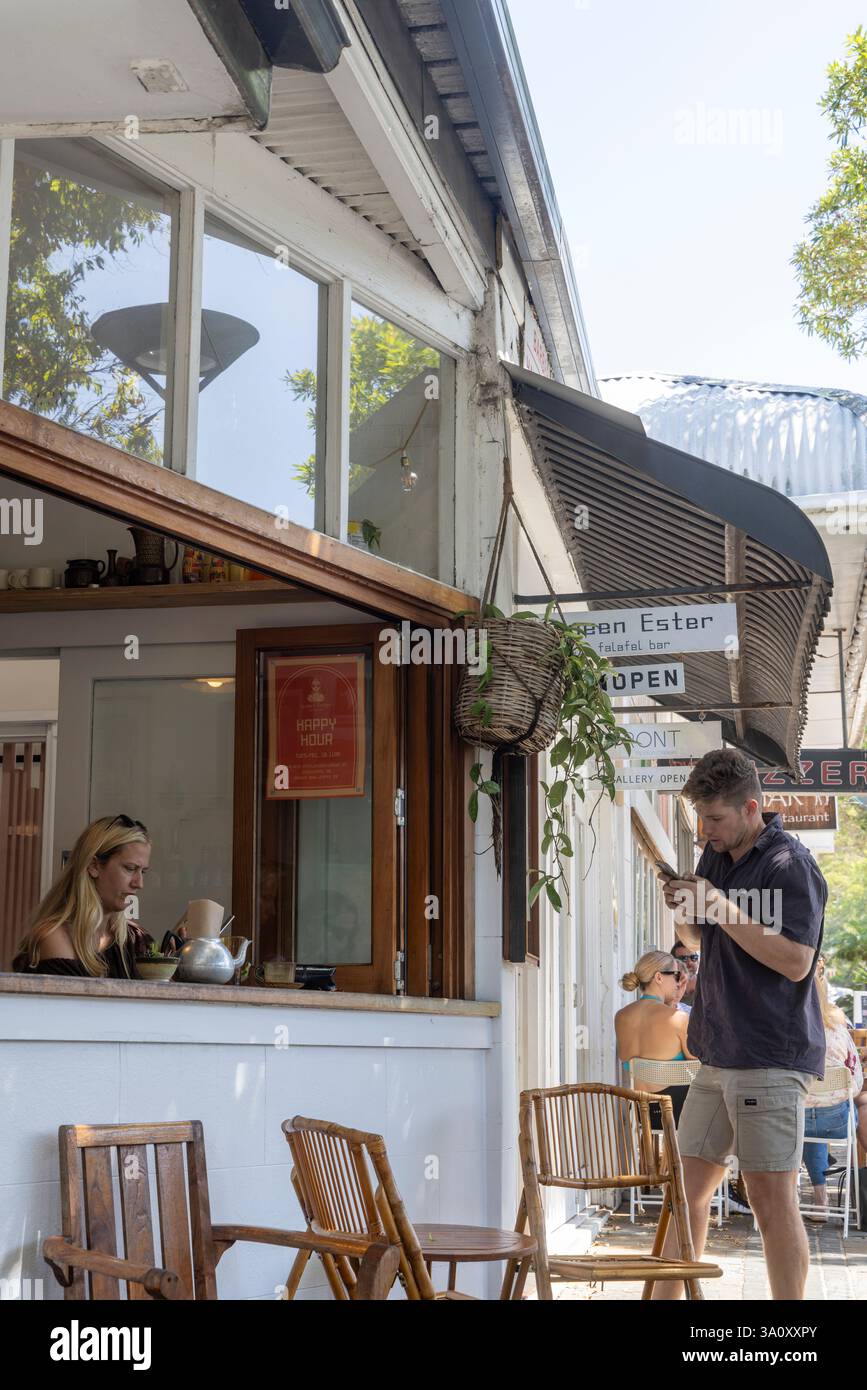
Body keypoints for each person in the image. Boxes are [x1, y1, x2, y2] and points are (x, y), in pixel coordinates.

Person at [655, 749, 826, 1302]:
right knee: (686, 1191)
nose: (705, 831)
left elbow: (798, 961)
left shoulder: (789, 865)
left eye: (715, 819)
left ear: (751, 808)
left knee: (770, 1200)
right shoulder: (717, 854)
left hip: (770, 1056)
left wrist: (722, 906)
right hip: (716, 1051)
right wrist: (686, 906)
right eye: (701, 819)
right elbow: (701, 941)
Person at [13, 815, 150, 978]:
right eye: (130, 868)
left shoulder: (134, 939)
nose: (139, 883)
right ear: (94, 866)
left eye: (143, 872)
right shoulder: (56, 938)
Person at [801, 958, 864, 1221]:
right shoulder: (839, 1028)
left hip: (795, 1121)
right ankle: (827, 1199)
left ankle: (820, 1200)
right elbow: (856, 1082)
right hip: (837, 1122)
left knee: (804, 1115)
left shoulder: (781, 1033)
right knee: (824, 1112)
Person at [615, 950, 697, 1124]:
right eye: (676, 975)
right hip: (676, 1112)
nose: (678, 983)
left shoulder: (621, 1016)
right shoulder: (678, 1018)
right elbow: (698, 1061)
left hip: (640, 1111)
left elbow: (626, 1060)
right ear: (659, 977)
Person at [672, 939, 699, 1012]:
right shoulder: (667, 988)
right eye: (683, 958)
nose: (690, 962)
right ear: (673, 962)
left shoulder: (708, 985)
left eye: (693, 957)